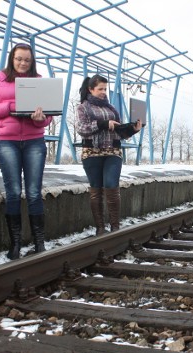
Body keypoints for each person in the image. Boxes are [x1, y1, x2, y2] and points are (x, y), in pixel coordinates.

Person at [0, 43, 52, 259]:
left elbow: (48, 116)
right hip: (7, 142)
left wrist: (42, 119)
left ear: (32, 62)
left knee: (33, 192)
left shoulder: (39, 82)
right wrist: (11, 106)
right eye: (19, 58)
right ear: (12, 59)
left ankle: (39, 243)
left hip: (34, 142)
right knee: (13, 192)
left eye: (27, 60)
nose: (23, 63)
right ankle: (15, 245)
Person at [75, 74, 142, 235]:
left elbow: (118, 132)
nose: (104, 92)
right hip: (92, 153)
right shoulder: (83, 107)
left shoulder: (111, 108)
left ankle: (115, 227)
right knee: (96, 189)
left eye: (105, 89)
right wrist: (104, 124)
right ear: (91, 89)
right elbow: (82, 129)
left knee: (112, 186)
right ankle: (100, 228)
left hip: (113, 151)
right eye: (100, 89)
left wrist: (132, 130)